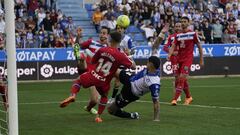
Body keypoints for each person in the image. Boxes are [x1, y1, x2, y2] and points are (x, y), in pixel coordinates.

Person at [60, 32, 136, 123]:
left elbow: (93, 61)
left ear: (109, 39)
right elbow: (133, 66)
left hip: (93, 75)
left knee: (79, 80)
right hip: (104, 81)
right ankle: (98, 116)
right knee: (104, 97)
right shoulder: (121, 55)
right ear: (120, 41)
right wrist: (129, 56)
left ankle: (73, 95)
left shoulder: (102, 50)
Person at [62, 26, 110, 115]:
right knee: (81, 57)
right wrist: (78, 36)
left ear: (108, 35)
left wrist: (108, 45)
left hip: (96, 75)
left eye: (104, 33)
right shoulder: (91, 42)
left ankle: (88, 108)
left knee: (94, 100)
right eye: (101, 33)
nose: (102, 35)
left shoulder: (109, 49)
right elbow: (78, 45)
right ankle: (72, 95)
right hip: (85, 69)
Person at [107, 56, 161, 121]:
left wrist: (156, 119)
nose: (147, 63)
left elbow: (156, 102)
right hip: (129, 80)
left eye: (148, 62)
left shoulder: (154, 82)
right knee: (113, 69)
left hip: (130, 93)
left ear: (151, 64)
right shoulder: (150, 70)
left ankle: (132, 115)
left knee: (110, 110)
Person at [168, 16, 204, 105]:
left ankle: (175, 99)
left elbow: (199, 46)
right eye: (182, 21)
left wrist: (201, 59)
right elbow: (173, 45)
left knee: (182, 77)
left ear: (188, 23)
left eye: (184, 21)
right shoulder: (178, 35)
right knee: (182, 79)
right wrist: (169, 54)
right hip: (179, 59)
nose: (183, 23)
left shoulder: (193, 34)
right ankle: (188, 97)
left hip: (188, 59)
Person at [110, 24, 135, 100]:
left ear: (124, 30)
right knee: (108, 80)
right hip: (114, 61)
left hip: (123, 61)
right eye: (118, 28)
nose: (119, 30)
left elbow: (133, 50)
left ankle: (113, 98)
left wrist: (129, 52)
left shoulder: (127, 39)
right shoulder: (114, 38)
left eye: (121, 28)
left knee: (117, 82)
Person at [163, 22, 182, 103]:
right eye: (176, 26)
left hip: (183, 58)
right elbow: (165, 47)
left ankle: (179, 93)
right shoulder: (171, 37)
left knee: (183, 76)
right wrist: (172, 53)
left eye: (179, 26)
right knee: (177, 76)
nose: (178, 28)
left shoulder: (184, 36)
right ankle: (177, 95)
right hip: (174, 59)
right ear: (174, 28)